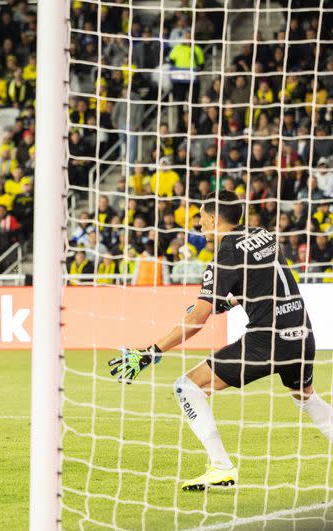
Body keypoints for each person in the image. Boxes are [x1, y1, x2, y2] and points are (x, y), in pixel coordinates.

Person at [111, 191, 330, 491]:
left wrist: (151, 351)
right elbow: (261, 281)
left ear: (214, 218)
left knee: (186, 387)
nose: (199, 225)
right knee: (306, 397)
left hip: (267, 340)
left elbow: (197, 319)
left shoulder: (224, 255)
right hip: (302, 333)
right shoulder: (262, 234)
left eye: (201, 217)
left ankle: (221, 467)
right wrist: (227, 303)